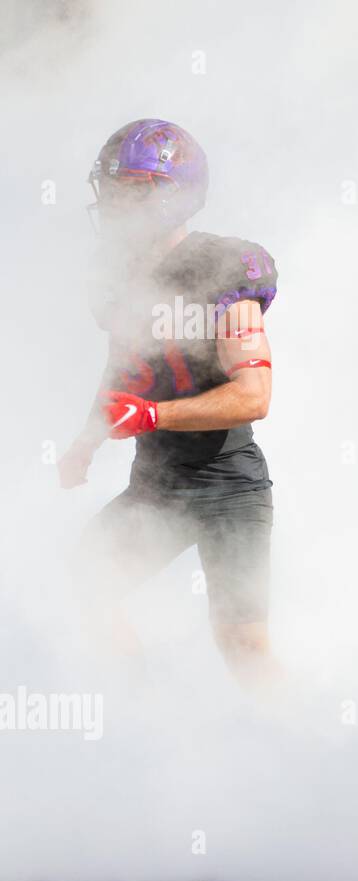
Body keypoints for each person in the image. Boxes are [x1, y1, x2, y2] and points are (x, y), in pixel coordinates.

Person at [59, 119, 279, 688]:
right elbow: (125, 366)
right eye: (111, 188)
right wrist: (86, 440)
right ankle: (152, 711)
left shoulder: (223, 267)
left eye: (131, 188)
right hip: (156, 484)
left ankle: (306, 749)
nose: (113, 203)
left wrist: (156, 415)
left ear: (173, 194)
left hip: (227, 482)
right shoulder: (119, 275)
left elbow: (254, 396)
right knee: (90, 581)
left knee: (242, 641)